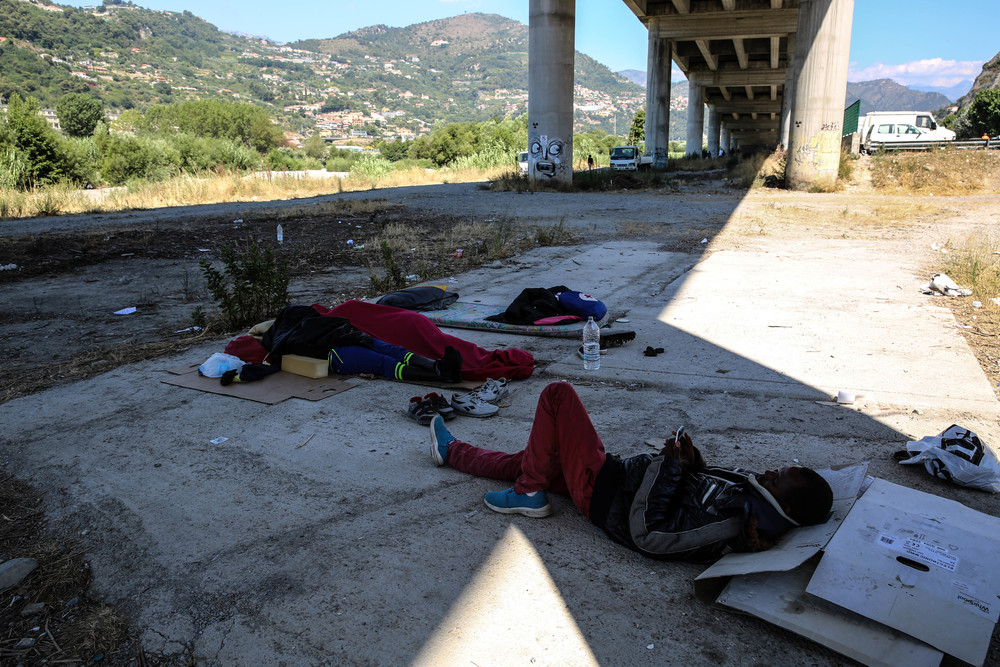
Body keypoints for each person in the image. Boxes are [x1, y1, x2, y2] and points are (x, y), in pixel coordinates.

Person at [428, 382, 833, 562]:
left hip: (604, 495)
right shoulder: (750, 496)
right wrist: (691, 461)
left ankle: (529, 495)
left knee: (558, 396)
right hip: (614, 478)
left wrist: (669, 465)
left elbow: (650, 535)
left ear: (784, 505)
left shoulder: (733, 524)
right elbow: (695, 486)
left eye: (778, 478)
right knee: (529, 460)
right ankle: (454, 452)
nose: (768, 472)